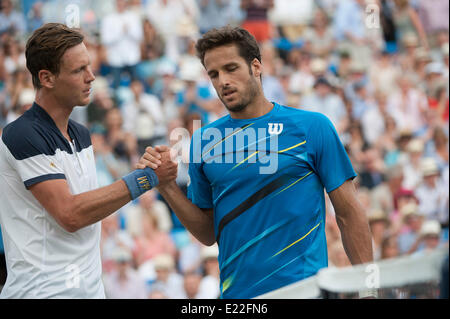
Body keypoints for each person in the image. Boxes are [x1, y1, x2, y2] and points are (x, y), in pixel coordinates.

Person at [137, 26, 374, 299]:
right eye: (214, 74)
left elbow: (348, 212)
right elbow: (207, 232)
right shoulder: (203, 141)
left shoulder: (312, 127)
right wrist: (167, 186)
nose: (223, 81)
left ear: (256, 66)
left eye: (231, 68)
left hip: (306, 292)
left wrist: (368, 289)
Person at [0, 23, 176, 298]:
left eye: (89, 66)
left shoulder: (81, 134)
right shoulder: (21, 134)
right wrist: (146, 178)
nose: (91, 77)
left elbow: (91, 204)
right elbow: (70, 214)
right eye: (78, 70)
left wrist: (145, 168)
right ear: (46, 78)